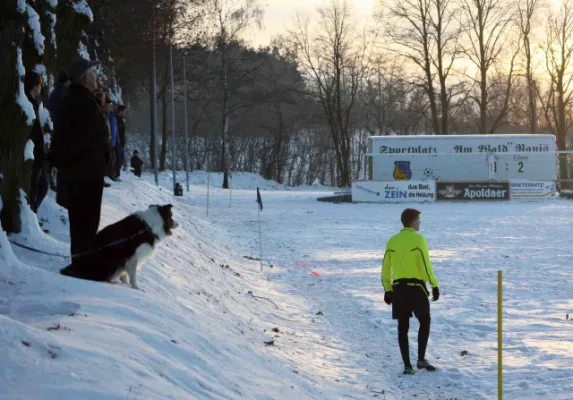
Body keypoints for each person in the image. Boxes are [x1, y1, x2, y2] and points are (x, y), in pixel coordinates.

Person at [51, 58, 110, 260]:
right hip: (85, 174)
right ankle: (83, 263)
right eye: (93, 73)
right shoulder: (83, 103)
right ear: (85, 78)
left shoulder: (78, 100)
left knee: (82, 222)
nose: (97, 78)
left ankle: (83, 260)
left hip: (82, 172)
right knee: (86, 222)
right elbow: (79, 139)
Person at [382, 208, 440, 375]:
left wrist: (387, 288)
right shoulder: (419, 239)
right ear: (412, 222)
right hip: (416, 288)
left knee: (403, 327)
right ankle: (421, 359)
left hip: (398, 288)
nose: (420, 223)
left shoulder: (392, 241)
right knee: (425, 321)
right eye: (418, 220)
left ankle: (407, 366)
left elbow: (386, 267)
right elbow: (425, 263)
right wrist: (434, 285)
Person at [24, 71, 49, 214]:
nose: (41, 88)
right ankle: (31, 216)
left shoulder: (33, 103)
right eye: (39, 85)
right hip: (33, 154)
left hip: (38, 154)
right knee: (34, 189)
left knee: (42, 186)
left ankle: (32, 216)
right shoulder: (27, 105)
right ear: (34, 86)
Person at [48, 70, 71, 201]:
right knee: (64, 170)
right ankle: (63, 199)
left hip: (58, 133)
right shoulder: (62, 94)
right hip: (62, 135)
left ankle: (63, 197)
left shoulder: (56, 93)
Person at [115, 105, 127, 180]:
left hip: (122, 141)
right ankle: (116, 175)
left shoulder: (122, 119)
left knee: (121, 158)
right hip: (118, 141)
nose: (125, 113)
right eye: (124, 111)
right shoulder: (116, 118)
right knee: (118, 158)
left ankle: (117, 173)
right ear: (120, 111)